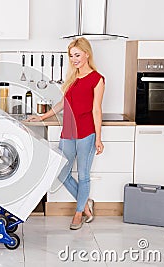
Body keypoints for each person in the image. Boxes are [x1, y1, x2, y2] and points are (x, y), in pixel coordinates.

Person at [27, 37, 105, 230]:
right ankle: (85, 204)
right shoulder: (72, 78)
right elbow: (63, 103)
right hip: (68, 132)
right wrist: (43, 116)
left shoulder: (97, 79)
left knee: (84, 175)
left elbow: (96, 109)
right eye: (71, 56)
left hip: (86, 133)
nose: (74, 59)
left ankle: (78, 214)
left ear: (87, 54)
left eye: (77, 55)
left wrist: (99, 138)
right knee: (62, 172)